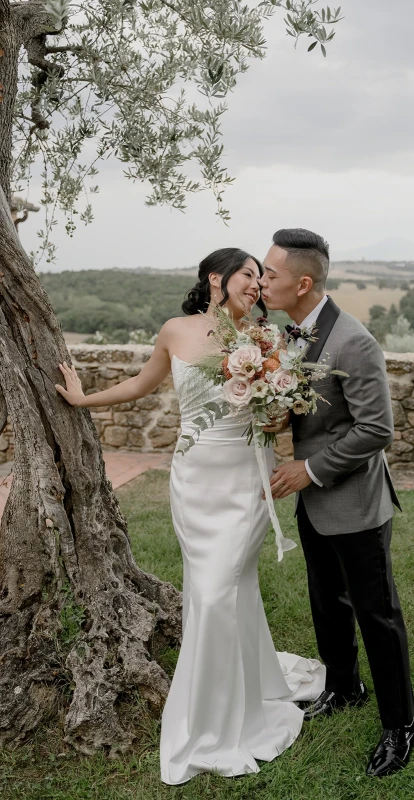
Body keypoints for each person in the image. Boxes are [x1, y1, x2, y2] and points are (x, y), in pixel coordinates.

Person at [56, 247, 325, 786]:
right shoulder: (175, 330)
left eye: (260, 277)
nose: (257, 284)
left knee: (215, 589)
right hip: (194, 481)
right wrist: (84, 400)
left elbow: (275, 421)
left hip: (245, 478)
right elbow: (140, 384)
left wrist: (275, 411)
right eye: (249, 275)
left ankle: (213, 717)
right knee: (223, 587)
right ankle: (246, 681)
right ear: (216, 278)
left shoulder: (265, 340)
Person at [259, 228, 414, 778]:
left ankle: (401, 726)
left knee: (377, 614)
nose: (262, 281)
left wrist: (308, 468)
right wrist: (284, 417)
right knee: (327, 602)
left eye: (271, 274)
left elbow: (377, 429)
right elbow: (318, 410)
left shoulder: (354, 341)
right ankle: (344, 687)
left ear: (304, 283)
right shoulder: (295, 334)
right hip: (314, 505)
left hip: (353, 502)